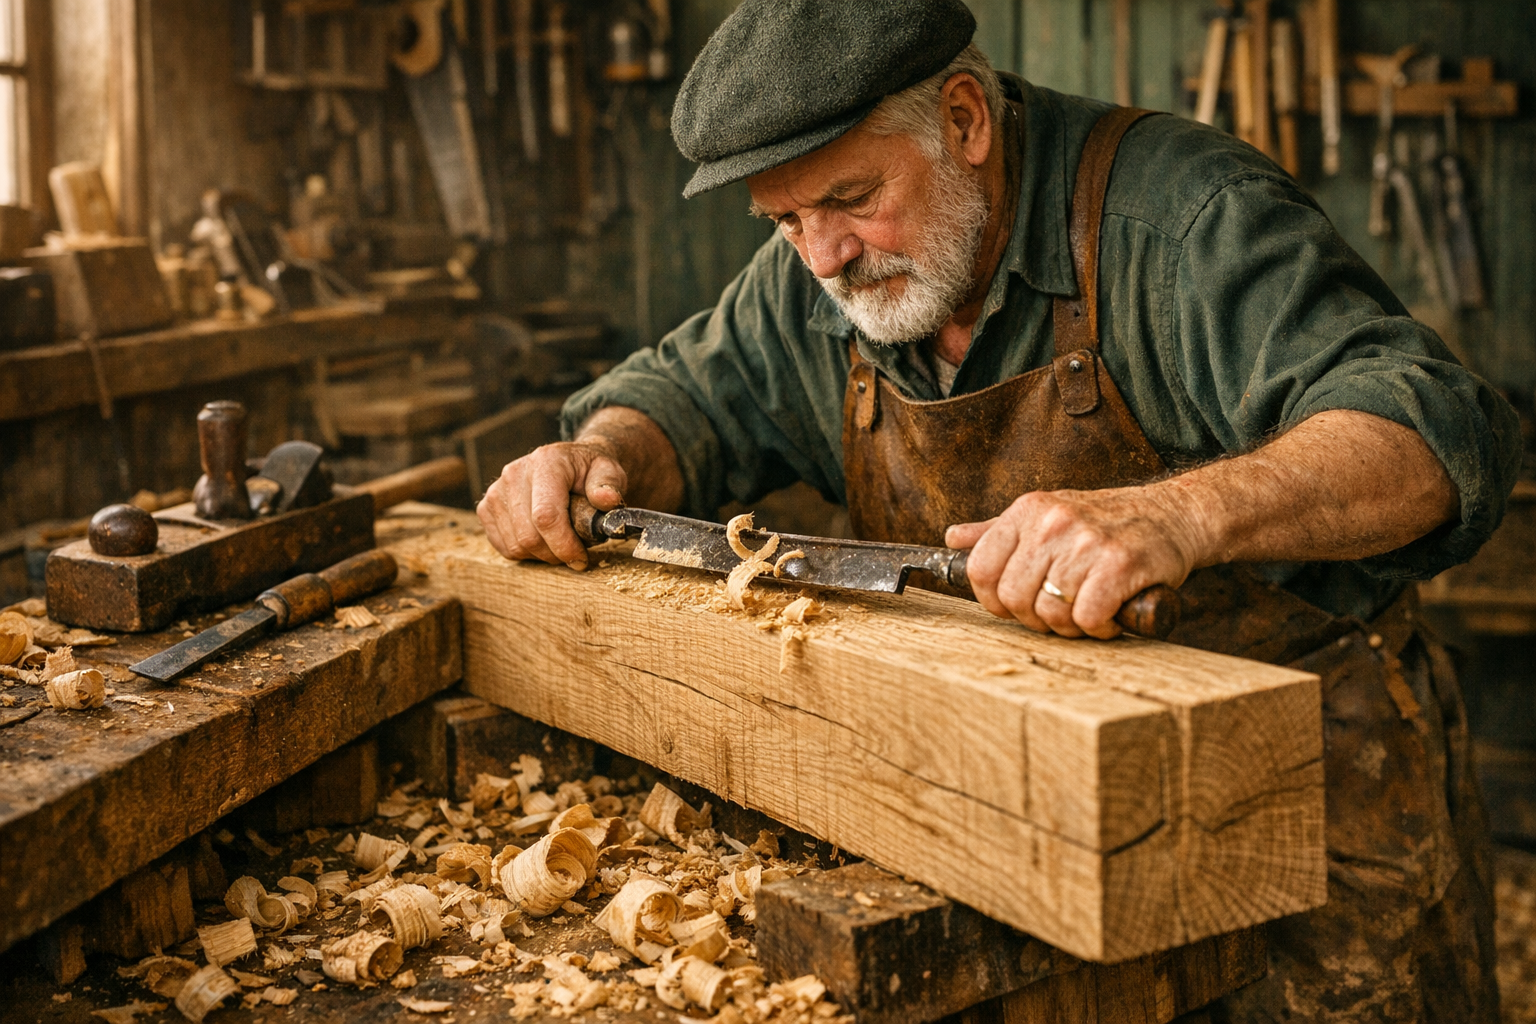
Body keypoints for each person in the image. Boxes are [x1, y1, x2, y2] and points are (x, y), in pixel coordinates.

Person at [477, 1, 1522, 1019]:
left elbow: (1433, 430)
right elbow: (685, 397)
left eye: (849, 198)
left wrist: (1179, 518)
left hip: (1298, 800)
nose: (824, 256)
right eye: (786, 220)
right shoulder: (818, 278)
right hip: (1026, 810)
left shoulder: (1185, 218)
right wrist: (600, 451)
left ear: (966, 120)